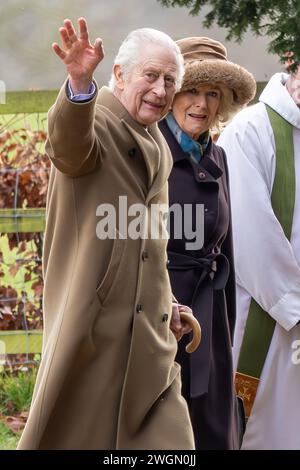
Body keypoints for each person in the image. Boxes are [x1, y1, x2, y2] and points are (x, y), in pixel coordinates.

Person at [17, 18, 196, 450]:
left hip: (149, 343)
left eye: (170, 81)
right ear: (118, 74)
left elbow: (148, 245)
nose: (160, 89)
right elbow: (67, 144)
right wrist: (79, 85)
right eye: (150, 76)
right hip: (96, 336)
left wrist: (166, 300)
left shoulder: (156, 142)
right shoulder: (95, 122)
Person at [159, 37, 256, 449]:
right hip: (160, 313)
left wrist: (227, 328)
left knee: (215, 428)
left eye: (212, 94)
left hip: (210, 317)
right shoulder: (149, 150)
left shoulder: (218, 158)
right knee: (166, 430)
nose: (201, 104)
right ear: (172, 94)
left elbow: (226, 250)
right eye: (192, 90)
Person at [218, 64, 300, 450]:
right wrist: (296, 308)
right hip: (267, 318)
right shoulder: (250, 130)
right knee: (261, 431)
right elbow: (250, 236)